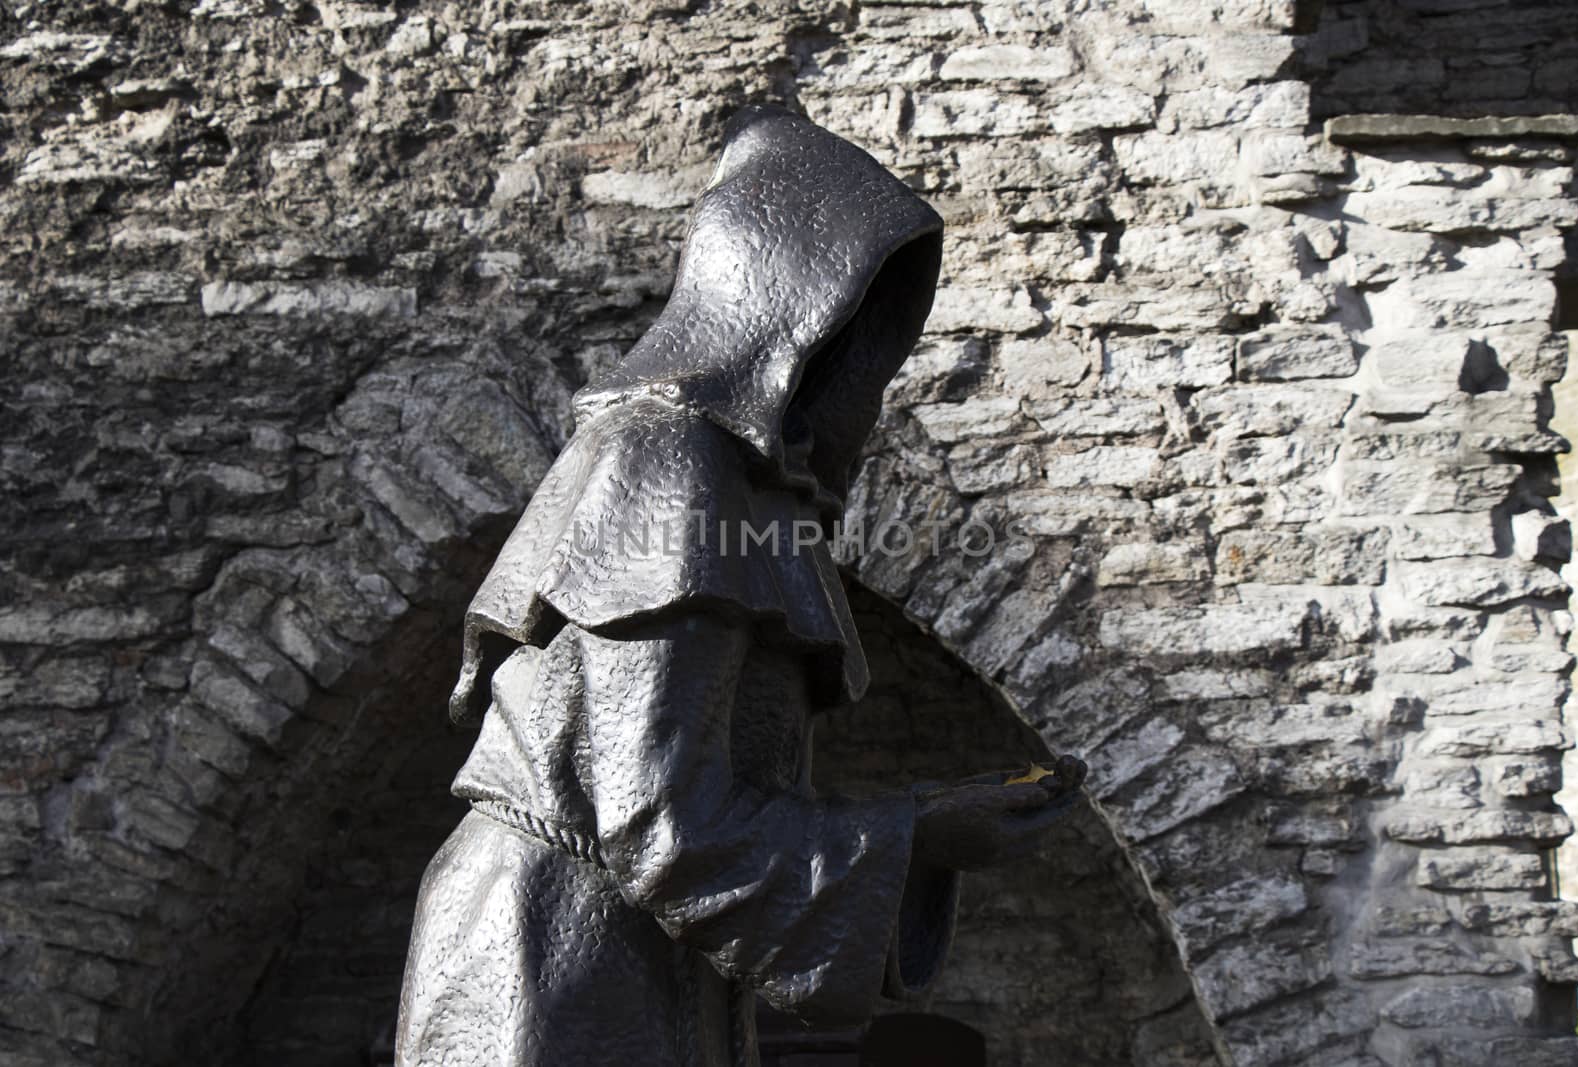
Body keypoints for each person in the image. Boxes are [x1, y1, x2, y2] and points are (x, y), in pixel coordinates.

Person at [396, 106, 1083, 1067]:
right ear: (782, 310)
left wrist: (920, 836)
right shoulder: (667, 457)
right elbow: (656, 819)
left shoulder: (723, 480)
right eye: (851, 334)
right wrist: (915, 832)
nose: (862, 381)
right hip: (549, 954)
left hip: (619, 944)